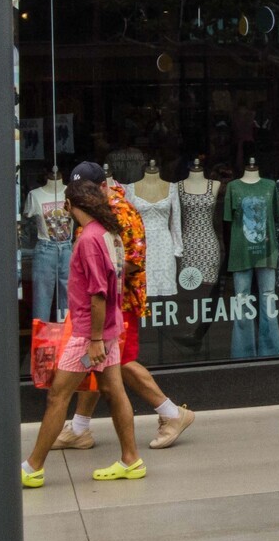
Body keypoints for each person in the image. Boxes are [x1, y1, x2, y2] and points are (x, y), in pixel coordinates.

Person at [54, 162, 194, 452]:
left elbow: (134, 260)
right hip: (101, 302)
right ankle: (79, 428)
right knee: (97, 360)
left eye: (89, 190)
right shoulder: (100, 208)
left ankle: (171, 412)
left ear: (103, 186)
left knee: (121, 361)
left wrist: (95, 279)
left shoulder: (120, 211)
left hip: (119, 302)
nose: (83, 197)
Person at [22, 180, 145, 486]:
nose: (66, 211)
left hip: (88, 333)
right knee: (114, 392)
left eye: (67, 205)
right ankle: (131, 459)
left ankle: (33, 467)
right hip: (109, 328)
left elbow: (98, 294)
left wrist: (93, 341)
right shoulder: (108, 233)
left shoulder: (89, 239)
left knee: (57, 396)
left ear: (75, 206)